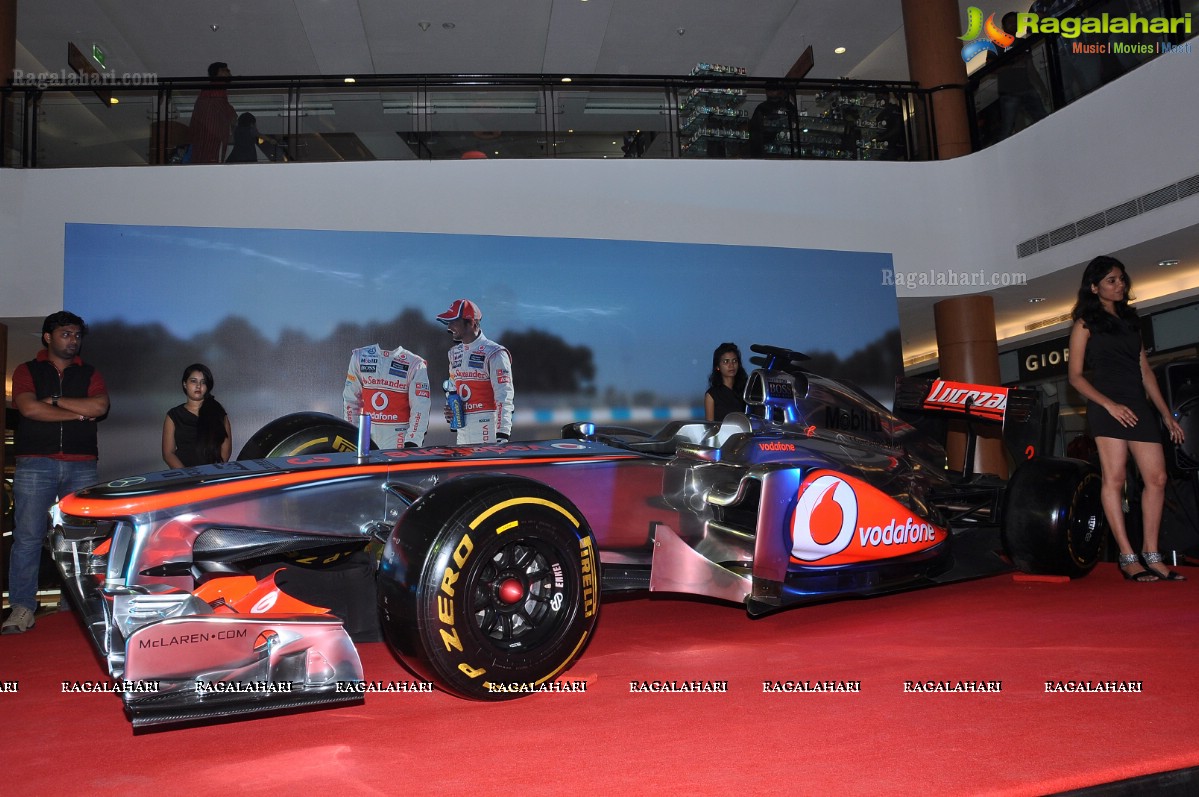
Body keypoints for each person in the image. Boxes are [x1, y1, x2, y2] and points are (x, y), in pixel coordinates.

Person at [1067, 256, 1186, 582]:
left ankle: (1152, 553)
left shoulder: (1132, 323)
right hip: (1107, 407)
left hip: (1137, 404)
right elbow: (1075, 377)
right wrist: (1109, 405)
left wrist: (1165, 414)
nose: (1120, 285)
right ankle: (1127, 555)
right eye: (1111, 280)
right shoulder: (1084, 324)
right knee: (1115, 479)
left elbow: (1145, 371)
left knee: (1157, 478)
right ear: (1095, 287)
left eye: (1121, 279)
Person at [3, 311, 109, 634]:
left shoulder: (90, 373)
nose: (73, 340)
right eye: (66, 334)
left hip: (81, 465)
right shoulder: (26, 370)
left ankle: (75, 609)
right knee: (28, 537)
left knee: (83, 541)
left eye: (77, 335)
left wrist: (57, 401)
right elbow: (29, 408)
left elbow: (99, 408)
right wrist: (77, 414)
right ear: (48, 337)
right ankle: (22, 608)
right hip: (36, 463)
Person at [436, 299, 514, 445]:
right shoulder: (453, 353)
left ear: (471, 322)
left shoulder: (495, 352)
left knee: (487, 469)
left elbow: (504, 396)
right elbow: (453, 390)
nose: (449, 327)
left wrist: (502, 434)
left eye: (453, 321)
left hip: (488, 429)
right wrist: (451, 409)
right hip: (463, 430)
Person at [342, 343, 431, 449]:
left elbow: (420, 407)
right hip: (366, 441)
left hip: (399, 442)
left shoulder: (415, 364)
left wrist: (413, 441)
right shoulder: (359, 357)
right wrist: (352, 434)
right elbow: (351, 400)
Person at [162, 363, 231, 468]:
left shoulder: (218, 414)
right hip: (183, 478)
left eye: (203, 382)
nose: (198, 386)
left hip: (213, 476)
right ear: (185, 384)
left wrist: (213, 473)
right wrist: (186, 475)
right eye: (193, 381)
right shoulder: (174, 415)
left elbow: (225, 451)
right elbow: (168, 453)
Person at [188, 61, 236, 164]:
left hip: (202, 136)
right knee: (212, 162)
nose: (229, 73)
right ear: (219, 72)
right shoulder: (217, 88)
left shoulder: (207, 90)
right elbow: (223, 107)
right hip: (213, 135)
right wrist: (233, 115)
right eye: (226, 70)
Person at [705, 342, 748, 421]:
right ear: (718, 366)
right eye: (726, 362)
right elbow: (710, 427)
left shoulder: (747, 391)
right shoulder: (712, 395)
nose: (731, 365)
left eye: (734, 361)